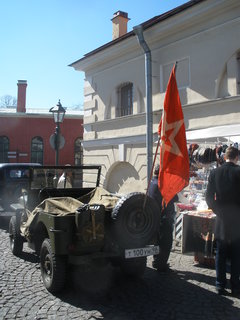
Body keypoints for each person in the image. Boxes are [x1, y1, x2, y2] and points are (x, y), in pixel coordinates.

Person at [206, 146, 240, 296]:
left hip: (221, 219)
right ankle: (235, 286)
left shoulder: (215, 172)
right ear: (237, 157)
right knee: (236, 255)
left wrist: (218, 211)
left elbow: (208, 198)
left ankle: (220, 285)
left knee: (220, 254)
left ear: (225, 156)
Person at [148, 164, 178, 272]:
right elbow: (174, 198)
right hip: (164, 217)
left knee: (158, 242)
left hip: (156, 217)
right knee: (165, 242)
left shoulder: (152, 182)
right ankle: (161, 264)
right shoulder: (161, 184)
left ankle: (157, 261)